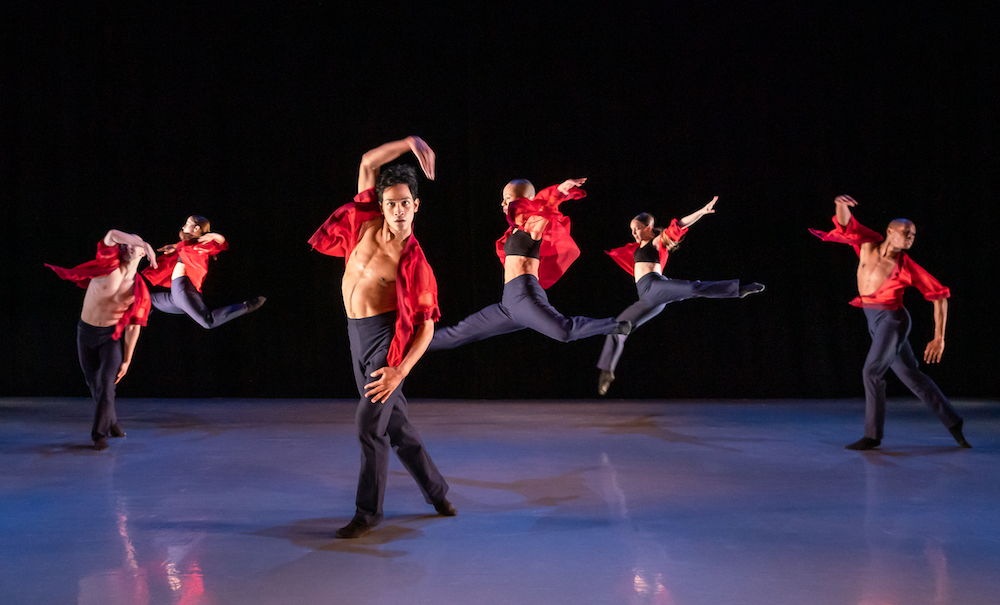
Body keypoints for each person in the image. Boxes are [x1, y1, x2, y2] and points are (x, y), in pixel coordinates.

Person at [308, 136, 454, 539]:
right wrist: (410, 142)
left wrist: (399, 370)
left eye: (405, 202)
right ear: (382, 205)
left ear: (416, 205)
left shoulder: (415, 262)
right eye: (391, 203)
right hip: (355, 334)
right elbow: (368, 161)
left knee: (369, 427)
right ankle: (438, 493)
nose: (398, 210)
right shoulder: (364, 224)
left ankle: (367, 513)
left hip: (385, 342)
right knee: (398, 426)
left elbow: (426, 326)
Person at [809, 194, 970, 450]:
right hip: (872, 318)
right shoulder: (867, 244)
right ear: (890, 232)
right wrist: (840, 206)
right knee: (912, 376)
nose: (910, 237)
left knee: (871, 372)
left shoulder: (907, 266)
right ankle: (953, 421)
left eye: (913, 234)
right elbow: (846, 224)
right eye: (906, 232)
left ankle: (872, 435)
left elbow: (939, 297)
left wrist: (939, 337)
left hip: (893, 320)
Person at [426, 177, 629, 353]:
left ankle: (616, 325)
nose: (503, 203)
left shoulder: (533, 224)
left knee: (564, 331)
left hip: (525, 297)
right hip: (508, 304)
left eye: (508, 198)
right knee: (458, 333)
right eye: (503, 199)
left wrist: (559, 192)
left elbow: (548, 209)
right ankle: (404, 349)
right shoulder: (514, 230)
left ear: (526, 200)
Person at [597, 197, 765, 395]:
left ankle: (738, 290)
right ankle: (607, 370)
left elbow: (679, 226)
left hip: (656, 285)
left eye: (638, 228)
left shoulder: (655, 242)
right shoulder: (637, 248)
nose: (634, 233)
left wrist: (701, 212)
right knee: (618, 326)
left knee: (693, 288)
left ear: (649, 228)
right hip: (647, 298)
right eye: (632, 230)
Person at [45, 230, 158, 450]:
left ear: (143, 254)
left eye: (134, 245)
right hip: (85, 333)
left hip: (110, 338)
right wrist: (145, 243)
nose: (127, 247)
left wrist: (127, 359)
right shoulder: (108, 266)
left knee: (107, 386)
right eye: (126, 244)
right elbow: (112, 234)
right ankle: (113, 423)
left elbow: (134, 327)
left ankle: (99, 436)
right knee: (94, 386)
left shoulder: (139, 291)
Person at [142, 215, 265, 329]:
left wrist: (215, 236)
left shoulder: (203, 245)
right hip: (177, 297)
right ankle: (134, 324)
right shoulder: (188, 244)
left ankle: (247, 306)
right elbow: (185, 246)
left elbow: (221, 244)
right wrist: (174, 246)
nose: (183, 226)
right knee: (145, 299)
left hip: (184, 291)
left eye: (187, 223)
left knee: (208, 322)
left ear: (196, 228)